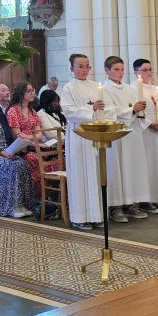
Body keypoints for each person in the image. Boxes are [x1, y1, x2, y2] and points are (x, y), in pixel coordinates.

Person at [101, 57, 150, 222]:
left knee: (132, 167)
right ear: (106, 70)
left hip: (132, 133)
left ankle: (132, 203)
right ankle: (116, 206)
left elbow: (136, 107)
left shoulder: (130, 88)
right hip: (117, 135)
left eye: (122, 69)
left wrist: (140, 109)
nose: (120, 73)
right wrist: (131, 110)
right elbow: (108, 111)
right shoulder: (104, 89)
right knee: (118, 168)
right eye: (116, 69)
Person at [60, 54, 103, 230]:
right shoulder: (68, 88)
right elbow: (68, 112)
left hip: (93, 133)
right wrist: (90, 107)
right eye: (80, 66)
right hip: (78, 134)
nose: (84, 70)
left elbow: (103, 108)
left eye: (87, 66)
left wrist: (100, 109)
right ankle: (79, 217)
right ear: (72, 68)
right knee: (79, 175)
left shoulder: (95, 86)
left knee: (94, 174)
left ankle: (95, 215)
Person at [0, 89, 35, 218]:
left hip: (7, 152)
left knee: (23, 165)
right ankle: (11, 207)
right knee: (10, 167)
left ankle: (22, 204)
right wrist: (1, 152)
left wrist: (14, 148)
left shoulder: (1, 117)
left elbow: (9, 138)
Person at [133, 59, 158, 213]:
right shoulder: (134, 88)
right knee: (147, 165)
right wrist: (150, 124)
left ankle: (157, 197)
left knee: (157, 164)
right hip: (145, 131)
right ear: (136, 72)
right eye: (145, 70)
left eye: (150, 69)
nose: (149, 72)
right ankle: (145, 200)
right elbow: (137, 112)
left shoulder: (155, 88)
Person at [6, 81, 57, 198]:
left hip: (35, 146)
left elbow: (39, 135)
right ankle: (37, 195)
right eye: (28, 91)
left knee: (58, 157)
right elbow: (17, 135)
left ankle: (52, 191)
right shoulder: (13, 111)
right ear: (21, 93)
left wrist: (30, 137)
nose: (32, 93)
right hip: (21, 149)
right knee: (34, 158)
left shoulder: (33, 112)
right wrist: (33, 139)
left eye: (33, 90)